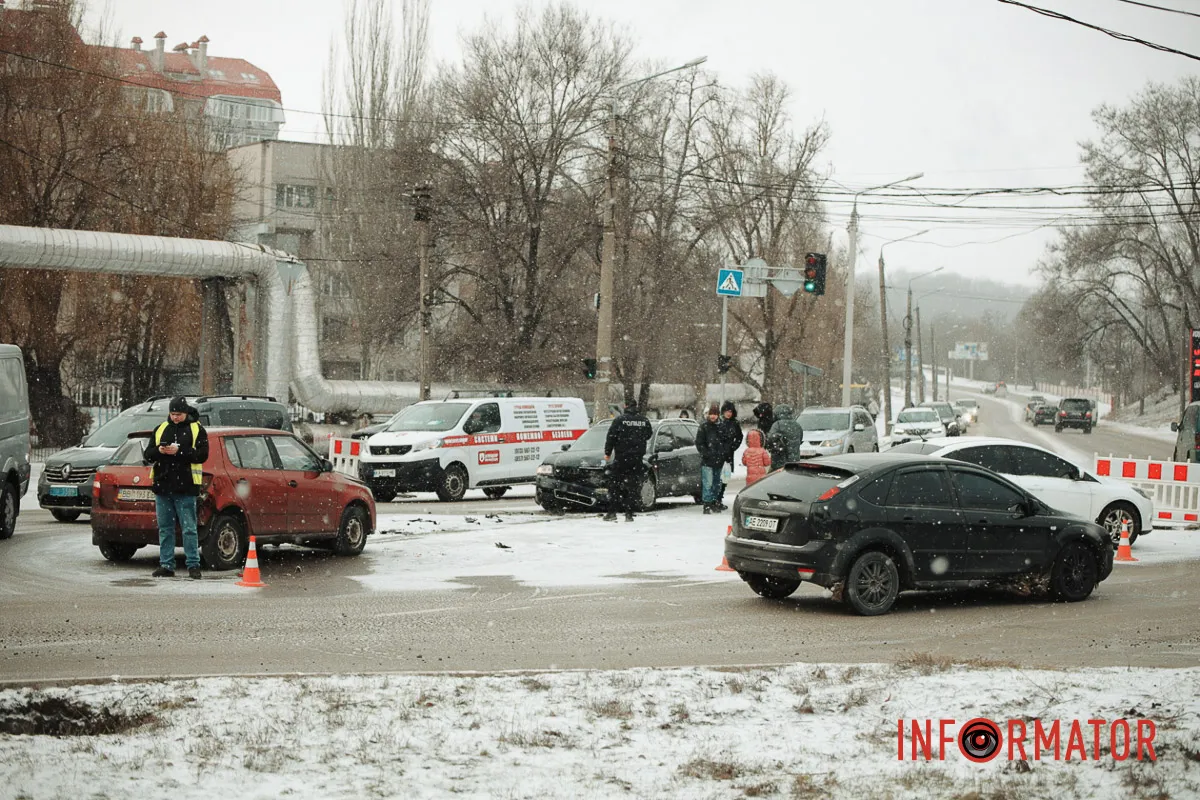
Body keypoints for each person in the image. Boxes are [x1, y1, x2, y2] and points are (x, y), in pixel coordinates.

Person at [143, 396, 209, 579]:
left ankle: (193, 565)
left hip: (186, 487)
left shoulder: (196, 429)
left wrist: (179, 451)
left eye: (178, 414)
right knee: (165, 528)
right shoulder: (161, 428)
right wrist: (159, 450)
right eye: (172, 414)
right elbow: (148, 454)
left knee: (189, 529)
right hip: (163, 486)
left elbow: (203, 455)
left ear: (185, 413)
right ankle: (166, 565)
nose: (175, 417)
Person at [603, 399, 652, 521]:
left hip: (621, 458)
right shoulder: (644, 420)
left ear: (625, 406)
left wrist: (607, 453)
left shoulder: (619, 420)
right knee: (633, 486)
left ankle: (612, 512)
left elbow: (611, 437)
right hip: (637, 458)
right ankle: (629, 513)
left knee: (615, 485)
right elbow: (648, 434)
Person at [695, 405, 726, 514]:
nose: (713, 416)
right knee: (708, 483)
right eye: (711, 414)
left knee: (716, 483)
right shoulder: (704, 427)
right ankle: (707, 504)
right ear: (708, 415)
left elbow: (726, 442)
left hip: (719, 460)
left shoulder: (722, 427)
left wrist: (723, 454)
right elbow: (699, 443)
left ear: (718, 415)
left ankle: (714, 502)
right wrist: (706, 453)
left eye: (715, 414)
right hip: (707, 461)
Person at [716, 401, 743, 511]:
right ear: (723, 412)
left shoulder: (735, 423)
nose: (728, 413)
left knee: (725, 479)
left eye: (730, 411)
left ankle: (719, 499)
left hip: (728, 456)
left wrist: (733, 447)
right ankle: (714, 499)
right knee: (717, 478)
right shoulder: (718, 422)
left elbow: (739, 437)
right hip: (717, 455)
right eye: (727, 411)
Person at [765, 403, 804, 472]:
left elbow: (770, 439)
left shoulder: (777, 425)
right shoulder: (797, 425)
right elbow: (800, 440)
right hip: (794, 461)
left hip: (779, 460)